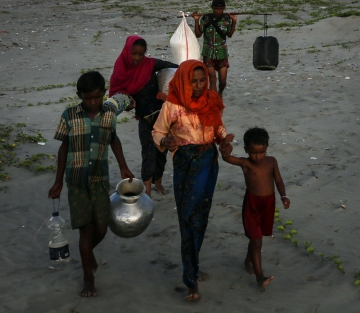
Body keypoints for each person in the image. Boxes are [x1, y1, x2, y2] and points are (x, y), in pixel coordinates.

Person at [48, 71, 135, 297]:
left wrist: (123, 166)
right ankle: (88, 278)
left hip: (99, 178)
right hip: (76, 180)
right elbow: (64, 147)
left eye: (97, 97)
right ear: (80, 96)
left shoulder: (109, 115)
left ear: (103, 94)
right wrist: (58, 182)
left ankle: (88, 256)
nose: (93, 102)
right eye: (88, 98)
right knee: (85, 230)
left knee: (101, 227)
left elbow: (113, 140)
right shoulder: (69, 116)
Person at [152, 60, 233, 301]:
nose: (198, 86)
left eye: (201, 81)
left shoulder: (211, 100)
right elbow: (158, 132)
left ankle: (193, 266)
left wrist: (225, 141)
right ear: (184, 81)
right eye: (193, 81)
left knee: (201, 215)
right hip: (185, 163)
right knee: (187, 217)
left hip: (208, 161)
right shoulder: (172, 105)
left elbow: (218, 130)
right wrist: (166, 142)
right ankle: (191, 279)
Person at [220, 127, 289, 288]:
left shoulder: (271, 161)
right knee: (257, 240)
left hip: (268, 203)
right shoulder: (245, 163)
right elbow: (226, 158)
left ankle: (247, 260)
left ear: (267, 148)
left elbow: (278, 180)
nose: (257, 157)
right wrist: (224, 144)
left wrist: (283, 196)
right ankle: (260, 277)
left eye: (261, 152)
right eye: (253, 153)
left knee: (256, 238)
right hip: (252, 204)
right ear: (246, 150)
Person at [109, 35, 178, 196]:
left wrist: (167, 89)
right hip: (145, 118)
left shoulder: (150, 64)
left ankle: (158, 182)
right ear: (127, 51)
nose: (137, 58)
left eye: (141, 54)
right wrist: (128, 102)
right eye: (134, 53)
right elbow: (116, 94)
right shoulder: (121, 69)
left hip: (162, 116)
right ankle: (147, 188)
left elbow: (176, 67)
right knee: (148, 152)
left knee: (162, 151)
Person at [191, 0, 237, 96]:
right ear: (212, 8)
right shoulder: (205, 19)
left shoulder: (226, 19)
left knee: (223, 81)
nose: (218, 11)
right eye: (216, 8)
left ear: (224, 8)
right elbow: (198, 34)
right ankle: (214, 100)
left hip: (222, 52)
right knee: (212, 79)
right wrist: (196, 20)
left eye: (220, 9)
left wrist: (234, 22)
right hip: (208, 52)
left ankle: (220, 93)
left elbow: (229, 34)